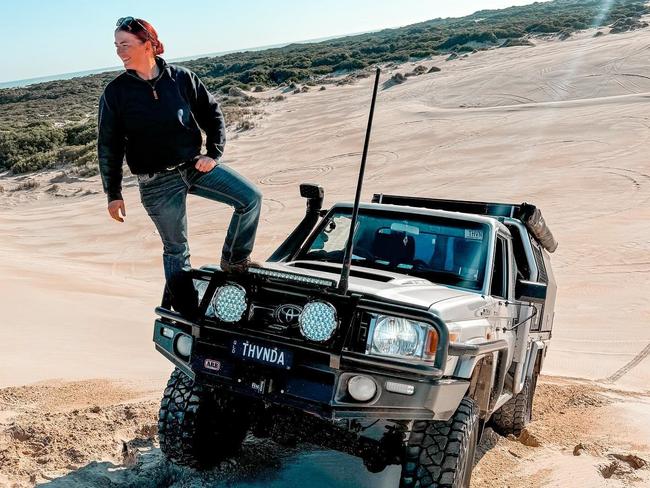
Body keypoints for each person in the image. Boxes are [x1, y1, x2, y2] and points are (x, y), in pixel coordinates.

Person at [98, 17, 262, 315]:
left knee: (250, 199)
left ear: (148, 45)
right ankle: (188, 313)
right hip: (156, 183)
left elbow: (212, 113)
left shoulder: (182, 78)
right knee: (177, 249)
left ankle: (235, 261)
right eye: (116, 45)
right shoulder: (116, 92)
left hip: (194, 167)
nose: (120, 52)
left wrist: (213, 153)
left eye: (126, 44)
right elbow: (108, 146)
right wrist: (113, 193)